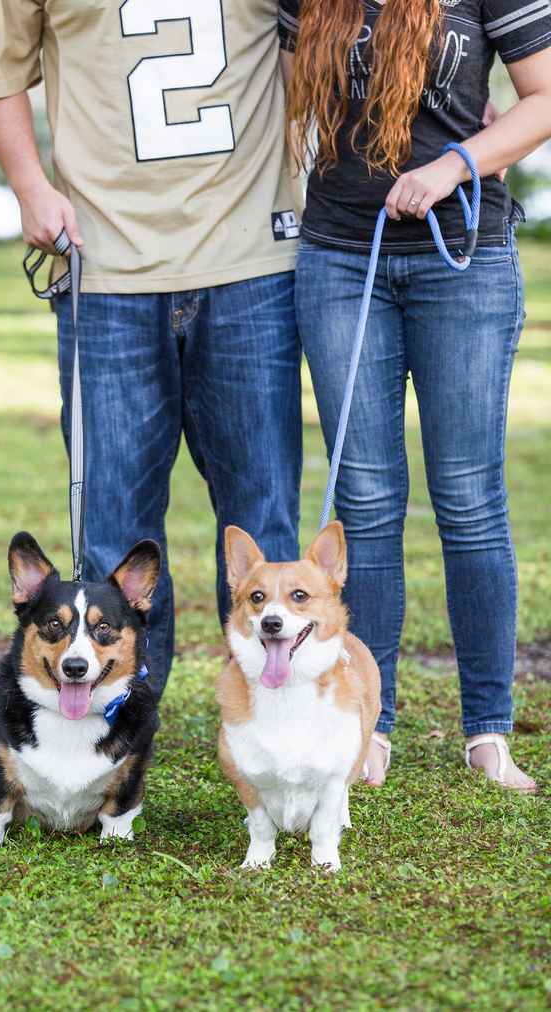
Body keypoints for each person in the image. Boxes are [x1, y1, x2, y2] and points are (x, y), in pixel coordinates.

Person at [0, 2, 303, 698]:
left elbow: (329, 47)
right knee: (113, 524)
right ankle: (122, 714)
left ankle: (275, 711)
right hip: (104, 262)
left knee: (261, 516)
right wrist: (29, 185)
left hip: (251, 260)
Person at [280, 0, 551, 790]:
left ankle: (488, 730)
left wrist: (452, 164)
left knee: (468, 498)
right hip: (339, 260)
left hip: (460, 255)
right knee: (363, 500)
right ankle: (373, 723)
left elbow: (541, 100)